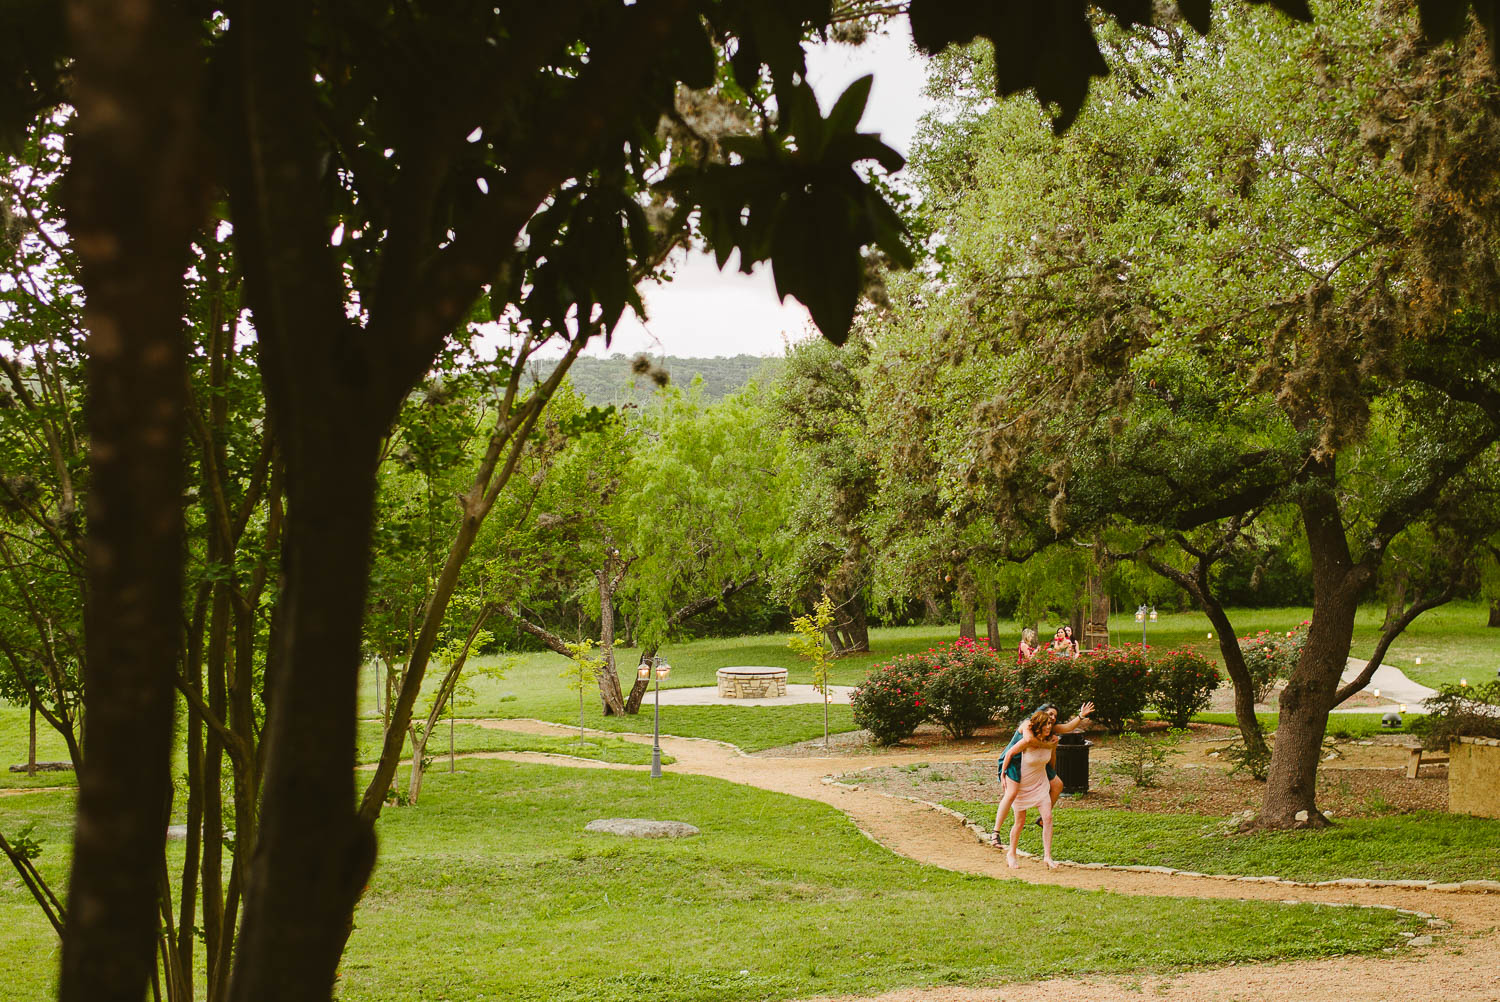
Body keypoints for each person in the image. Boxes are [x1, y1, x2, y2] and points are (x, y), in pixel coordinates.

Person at [993, 701, 1093, 854]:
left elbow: (1067, 728)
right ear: (1041, 712)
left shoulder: (1049, 728)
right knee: (1012, 793)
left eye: (1055, 716)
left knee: (1058, 785)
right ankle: (996, 832)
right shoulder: (1028, 724)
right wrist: (1049, 746)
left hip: (1037, 759)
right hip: (1016, 759)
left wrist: (1081, 716)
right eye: (1050, 714)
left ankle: (1043, 817)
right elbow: (1029, 740)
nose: (1053, 718)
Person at [999, 709, 1060, 868]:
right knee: (1020, 822)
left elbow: (1051, 762)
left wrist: (1052, 777)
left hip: (1040, 785)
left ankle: (1047, 856)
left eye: (1050, 724)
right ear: (1038, 726)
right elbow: (1009, 753)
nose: (1049, 727)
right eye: (1046, 724)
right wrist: (1003, 774)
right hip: (1023, 786)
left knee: (1048, 818)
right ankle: (1011, 853)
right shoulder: (1028, 741)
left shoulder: (1051, 742)